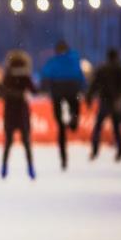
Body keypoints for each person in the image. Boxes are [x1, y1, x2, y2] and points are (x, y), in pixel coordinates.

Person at [40, 40, 87, 170]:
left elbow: (45, 74)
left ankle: (63, 158)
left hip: (58, 91)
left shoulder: (53, 61)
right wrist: (84, 90)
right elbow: (81, 77)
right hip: (73, 90)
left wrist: (43, 89)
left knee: (60, 126)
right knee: (75, 112)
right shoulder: (75, 59)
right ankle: (73, 123)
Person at [87, 49, 121, 162]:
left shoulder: (102, 69)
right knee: (117, 128)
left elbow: (94, 84)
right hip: (116, 102)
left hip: (105, 101)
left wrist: (89, 96)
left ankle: (95, 150)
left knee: (98, 127)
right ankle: (120, 151)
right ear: (116, 57)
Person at [1, 50, 37, 180]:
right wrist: (22, 94)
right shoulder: (25, 76)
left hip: (10, 112)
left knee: (8, 142)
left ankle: (4, 168)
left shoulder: (8, 76)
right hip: (22, 112)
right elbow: (34, 90)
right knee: (26, 142)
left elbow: (3, 92)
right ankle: (30, 168)